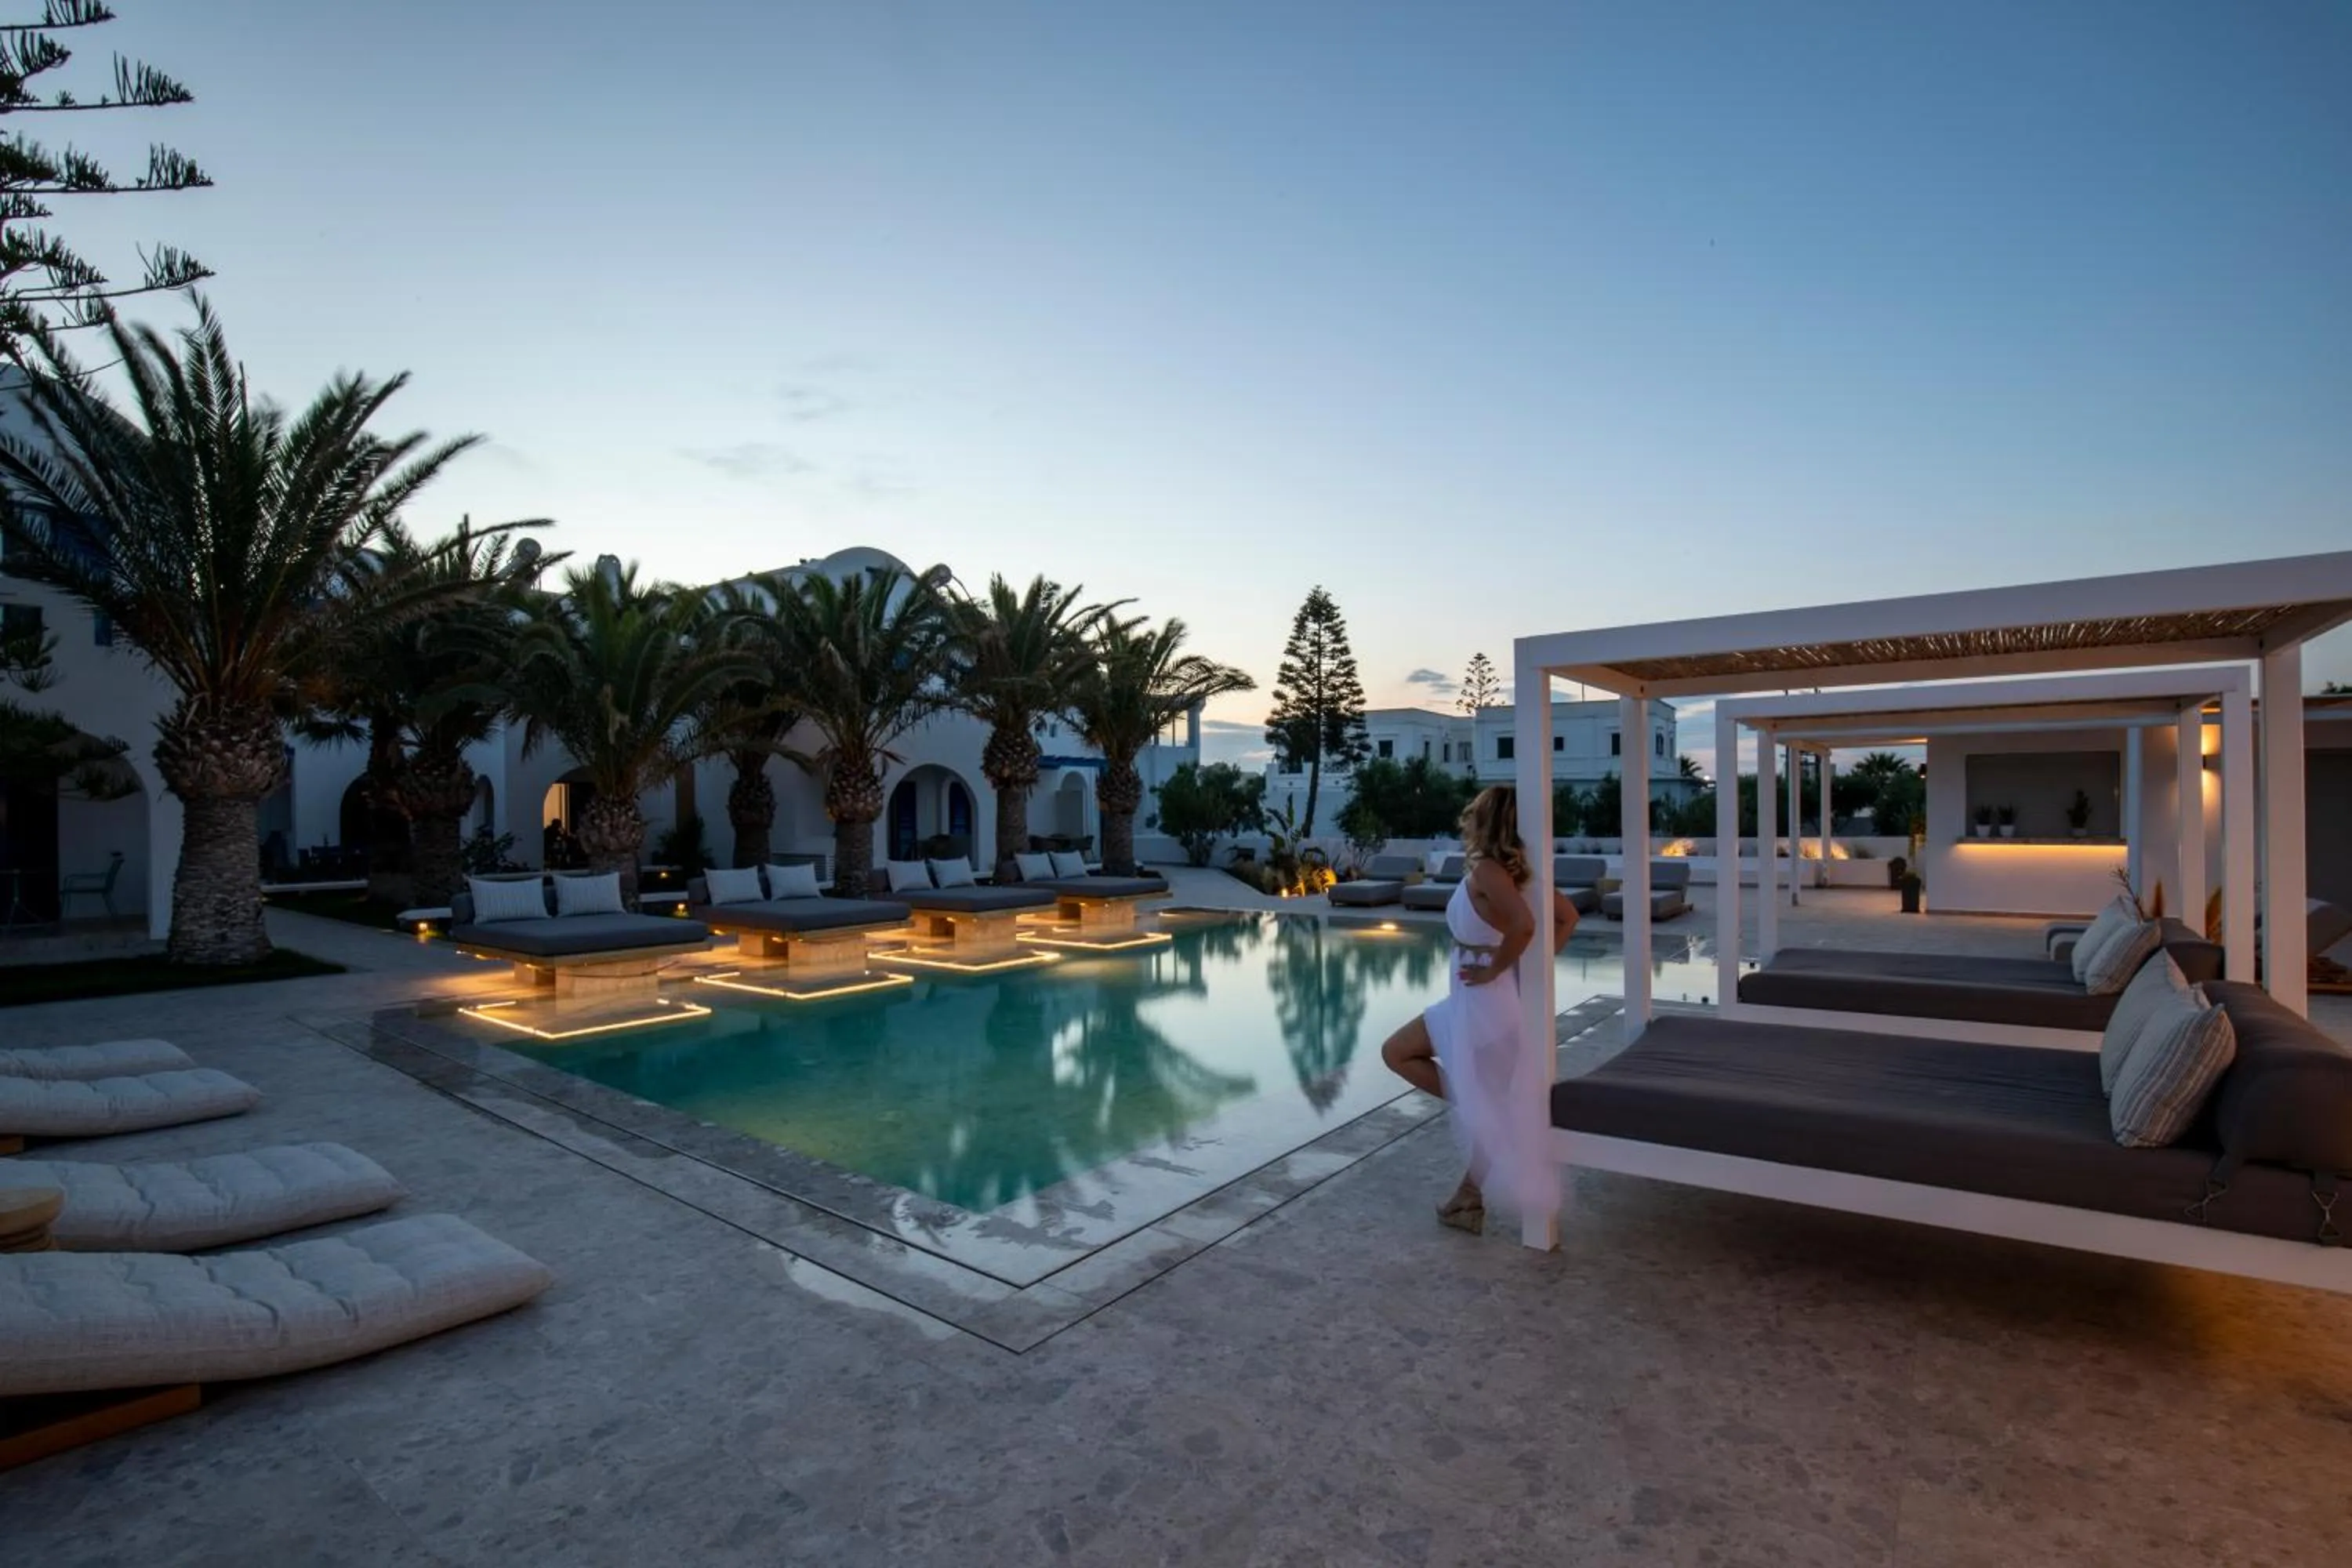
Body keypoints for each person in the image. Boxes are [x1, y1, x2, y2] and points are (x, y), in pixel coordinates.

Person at [1378, 786, 1578, 1235]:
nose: (1466, 818)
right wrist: (1528, 970)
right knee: (1401, 1054)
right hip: (1472, 1002)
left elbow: (1529, 926)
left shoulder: (1491, 871)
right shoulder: (1510, 875)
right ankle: (1468, 1195)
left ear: (1484, 821)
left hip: (1487, 1005)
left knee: (1399, 1054)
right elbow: (1567, 919)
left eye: (1473, 813)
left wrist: (1498, 970)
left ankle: (1468, 1199)